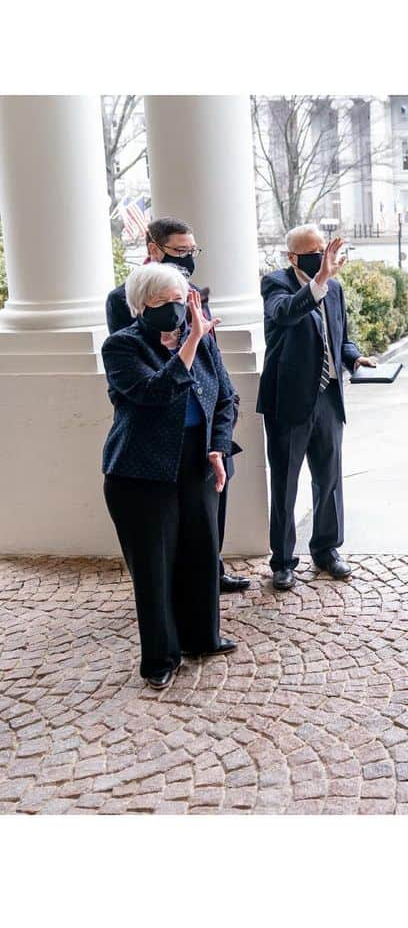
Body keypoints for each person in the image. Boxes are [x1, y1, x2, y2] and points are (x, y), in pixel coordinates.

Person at [101, 263, 239, 689]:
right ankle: (160, 657)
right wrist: (194, 340)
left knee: (201, 551)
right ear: (141, 306)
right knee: (155, 566)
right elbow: (152, 393)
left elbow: (226, 398)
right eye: (164, 303)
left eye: (180, 300)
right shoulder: (121, 347)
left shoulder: (202, 342)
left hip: (197, 460)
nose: (176, 310)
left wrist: (217, 446)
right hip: (140, 473)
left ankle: (202, 637)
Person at [106, 216, 250, 594]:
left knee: (209, 509)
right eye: (179, 251)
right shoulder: (125, 299)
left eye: (192, 251)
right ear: (154, 249)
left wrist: (221, 408)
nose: (188, 258)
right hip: (161, 427)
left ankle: (210, 574)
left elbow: (210, 354)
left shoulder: (196, 294)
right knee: (164, 532)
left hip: (204, 418)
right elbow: (138, 364)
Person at [257, 224, 377, 590]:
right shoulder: (275, 284)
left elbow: (340, 335)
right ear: (292, 256)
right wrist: (320, 278)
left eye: (323, 249)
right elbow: (286, 315)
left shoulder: (335, 289)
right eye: (312, 252)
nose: (321, 256)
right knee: (285, 485)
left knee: (329, 481)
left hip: (327, 398)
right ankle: (283, 561)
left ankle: (326, 550)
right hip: (289, 402)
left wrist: (354, 359)